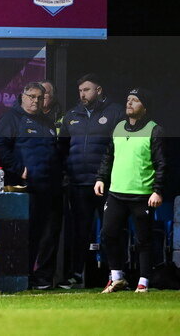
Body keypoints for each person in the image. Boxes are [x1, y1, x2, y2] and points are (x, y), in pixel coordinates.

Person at [0, 82, 63, 290]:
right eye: (31, 96)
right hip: (24, 188)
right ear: (22, 96)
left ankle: (42, 279)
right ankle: (23, 277)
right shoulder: (11, 118)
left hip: (49, 188)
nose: (35, 101)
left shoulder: (48, 122)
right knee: (26, 234)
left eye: (40, 97)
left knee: (49, 235)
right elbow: (1, 147)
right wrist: (19, 170)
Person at [96, 88, 167, 293]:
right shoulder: (118, 128)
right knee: (108, 234)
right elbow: (108, 156)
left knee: (143, 239)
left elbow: (162, 164)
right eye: (128, 99)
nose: (129, 103)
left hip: (142, 195)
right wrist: (100, 178)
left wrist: (158, 191)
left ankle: (144, 282)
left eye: (135, 100)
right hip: (116, 193)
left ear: (144, 107)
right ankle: (117, 278)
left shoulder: (155, 130)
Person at [59, 73, 125, 288]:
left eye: (87, 90)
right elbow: (62, 149)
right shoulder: (71, 116)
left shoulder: (115, 113)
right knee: (79, 231)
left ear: (99, 90)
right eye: (80, 90)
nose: (82, 94)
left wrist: (109, 175)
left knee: (110, 230)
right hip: (78, 183)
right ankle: (76, 274)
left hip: (106, 183)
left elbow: (121, 148)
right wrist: (67, 175)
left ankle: (114, 275)